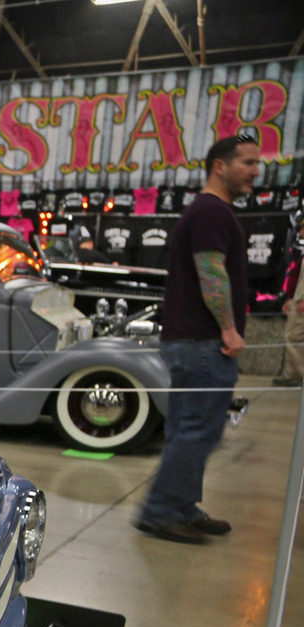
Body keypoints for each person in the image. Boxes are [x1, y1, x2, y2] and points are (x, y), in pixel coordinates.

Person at [135, 135, 262, 545]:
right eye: (247, 162)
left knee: (190, 429)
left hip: (194, 341)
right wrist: (228, 328)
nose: (255, 171)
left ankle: (182, 506)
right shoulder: (211, 212)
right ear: (219, 166)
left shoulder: (209, 211)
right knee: (197, 431)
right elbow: (212, 275)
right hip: (204, 341)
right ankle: (160, 512)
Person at [275, 211, 303, 388]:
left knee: (294, 337)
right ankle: (294, 374)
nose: (300, 233)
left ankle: (296, 375)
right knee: (293, 337)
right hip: (297, 300)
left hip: (302, 303)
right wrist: (291, 299)